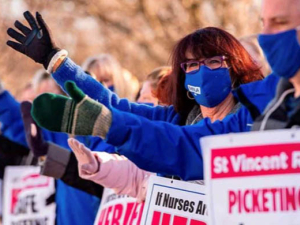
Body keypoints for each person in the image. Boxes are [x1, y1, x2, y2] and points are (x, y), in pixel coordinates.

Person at [6, 12, 278, 181]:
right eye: (192, 65)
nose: (202, 71)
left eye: (213, 62)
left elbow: (189, 148)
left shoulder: (255, 118)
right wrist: (55, 61)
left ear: (235, 66)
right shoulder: (176, 118)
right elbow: (111, 105)